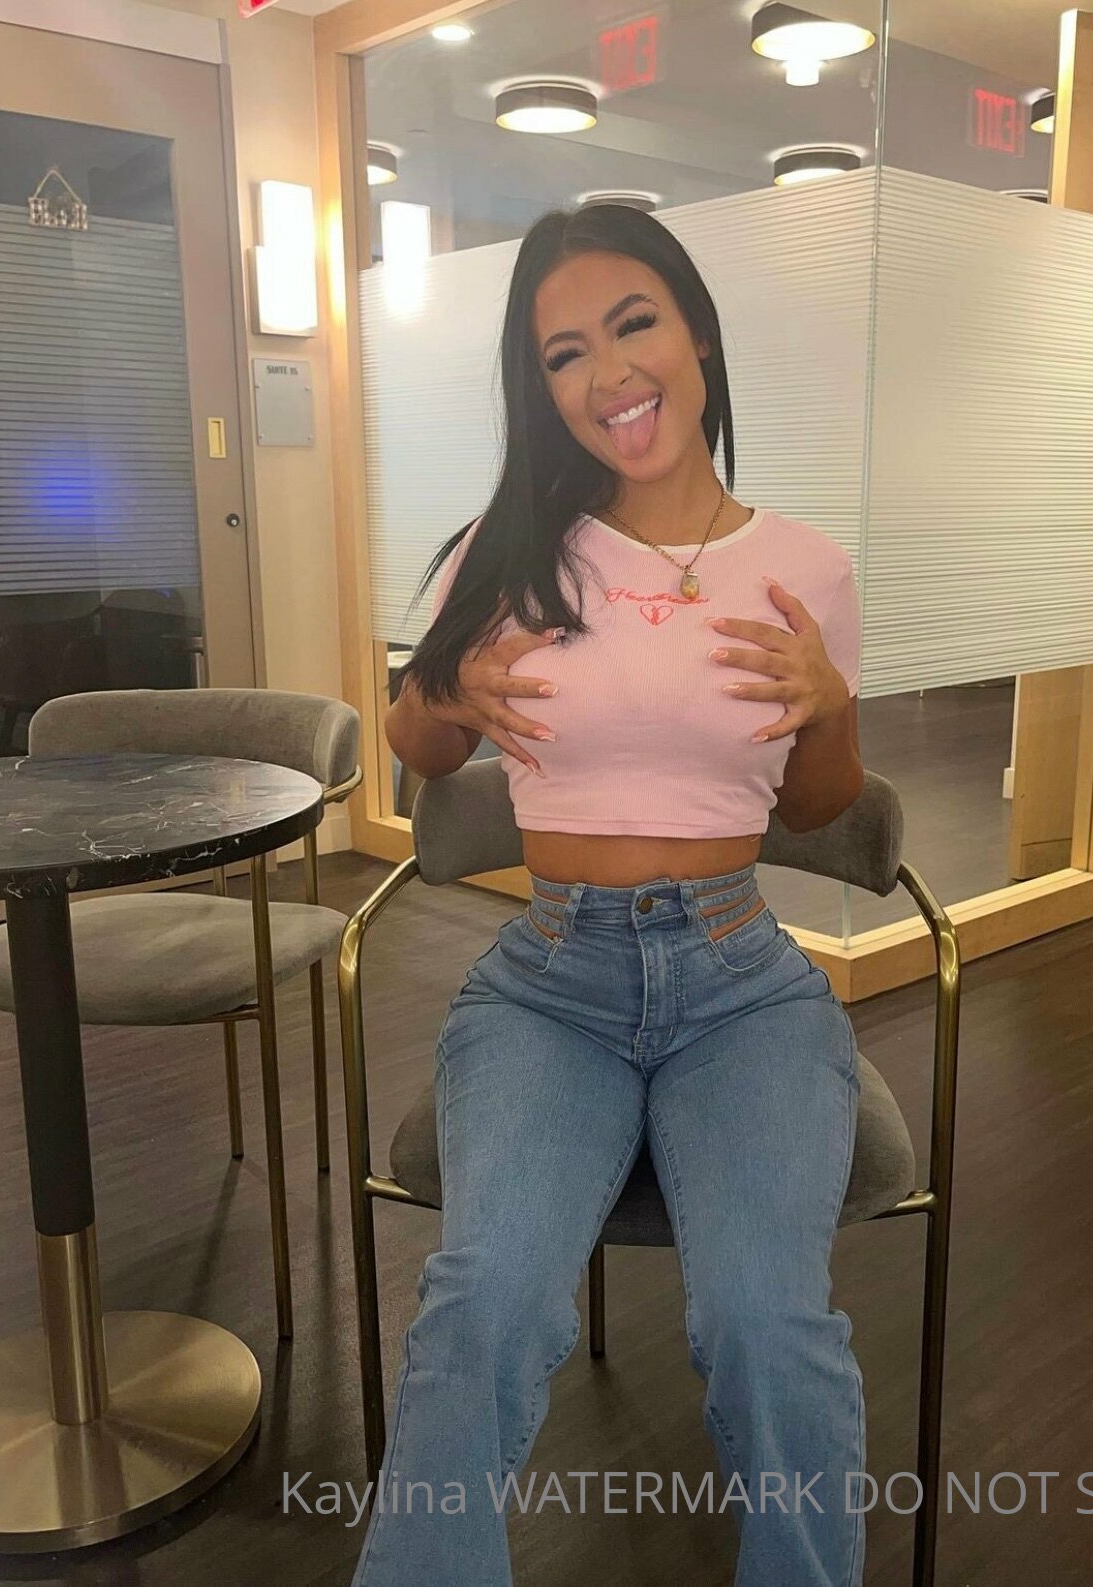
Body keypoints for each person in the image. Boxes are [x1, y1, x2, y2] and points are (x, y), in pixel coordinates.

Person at [352, 202, 866, 1587]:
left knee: (767, 1325)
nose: (609, 372)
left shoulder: (807, 568)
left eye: (634, 325)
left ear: (697, 336)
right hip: (550, 985)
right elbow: (416, 749)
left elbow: (818, 806)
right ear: (543, 388)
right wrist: (443, 693)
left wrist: (828, 708)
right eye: (565, 352)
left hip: (741, 984)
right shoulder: (512, 549)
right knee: (485, 1305)